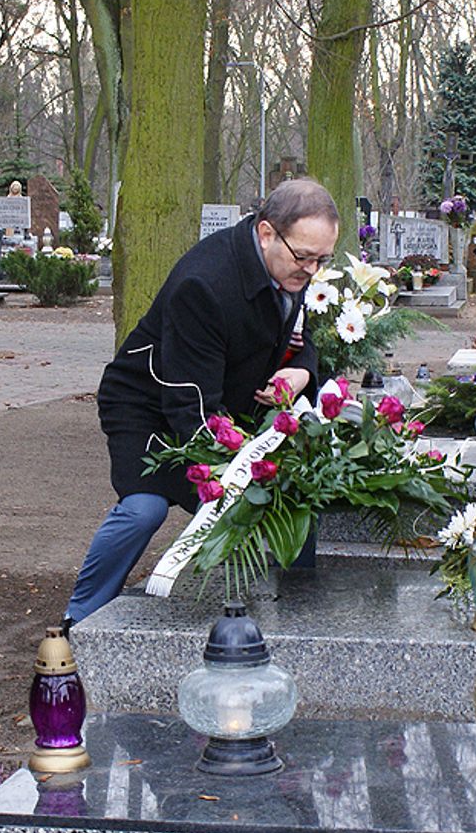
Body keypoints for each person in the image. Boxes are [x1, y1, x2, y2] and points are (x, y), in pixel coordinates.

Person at [63, 178, 340, 627]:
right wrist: (241, 467)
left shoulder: (286, 264)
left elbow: (298, 333)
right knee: (145, 509)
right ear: (266, 233)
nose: (310, 271)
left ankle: (292, 620)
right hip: (148, 404)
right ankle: (79, 620)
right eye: (304, 257)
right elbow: (189, 406)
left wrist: (302, 371)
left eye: (321, 260)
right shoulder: (204, 284)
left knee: (294, 499)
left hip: (221, 404)